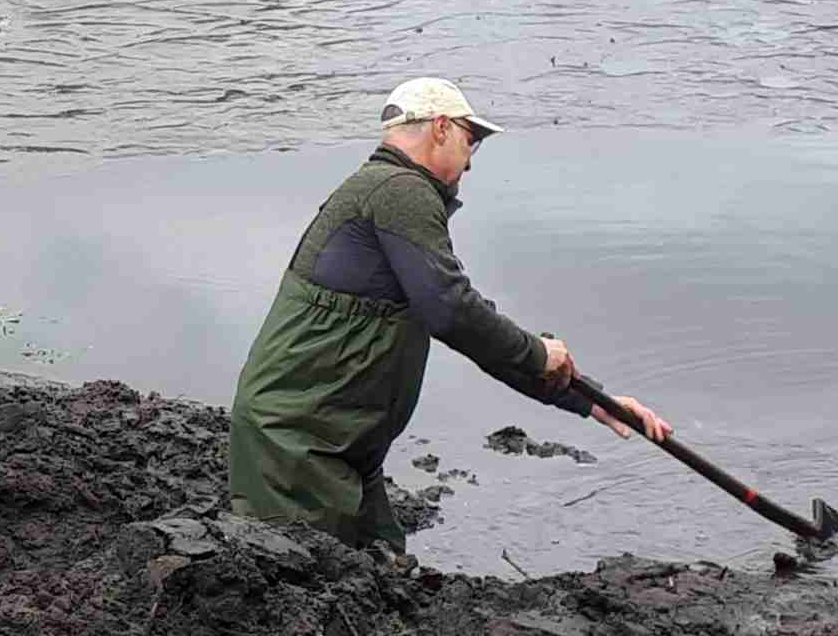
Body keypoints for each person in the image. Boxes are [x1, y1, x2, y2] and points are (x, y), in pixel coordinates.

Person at [227, 77, 672, 558]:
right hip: (297, 444)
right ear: (440, 127)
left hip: (336, 443)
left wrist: (589, 399)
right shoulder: (400, 191)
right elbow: (452, 310)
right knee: (312, 592)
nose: (473, 158)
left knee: (384, 571)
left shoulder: (386, 192)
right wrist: (540, 352)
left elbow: (465, 324)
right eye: (470, 138)